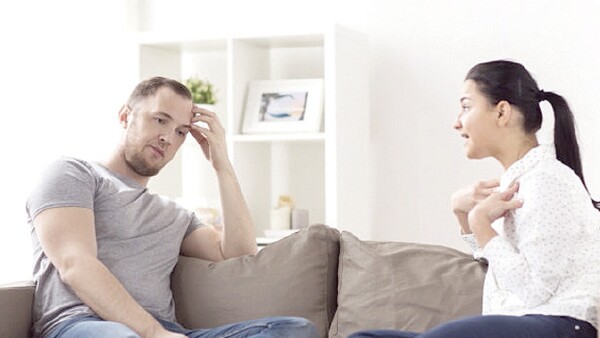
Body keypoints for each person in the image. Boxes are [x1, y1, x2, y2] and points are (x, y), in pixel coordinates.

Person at [26, 76, 320, 338]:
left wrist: (222, 164)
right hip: (84, 323)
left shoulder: (174, 215)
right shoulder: (73, 174)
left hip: (167, 331)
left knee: (294, 329)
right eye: (160, 120)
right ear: (126, 116)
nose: (168, 137)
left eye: (181, 132)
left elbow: (240, 252)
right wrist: (152, 332)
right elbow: (75, 265)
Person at [349, 60, 600, 338]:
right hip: (522, 323)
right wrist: (465, 219)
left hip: (557, 325)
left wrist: (479, 222)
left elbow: (532, 291)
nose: (456, 122)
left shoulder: (548, 180)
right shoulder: (520, 183)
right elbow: (502, 274)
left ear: (502, 112)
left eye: (466, 107)